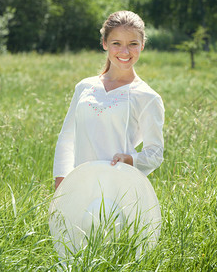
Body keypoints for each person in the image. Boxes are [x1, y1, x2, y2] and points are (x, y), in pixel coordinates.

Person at [53, 11, 164, 190]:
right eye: (116, 43)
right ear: (105, 43)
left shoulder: (147, 97)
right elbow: (67, 138)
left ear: (142, 45)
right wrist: (61, 178)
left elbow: (155, 153)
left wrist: (130, 160)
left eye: (133, 44)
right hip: (80, 185)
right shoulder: (84, 87)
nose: (125, 51)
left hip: (120, 187)